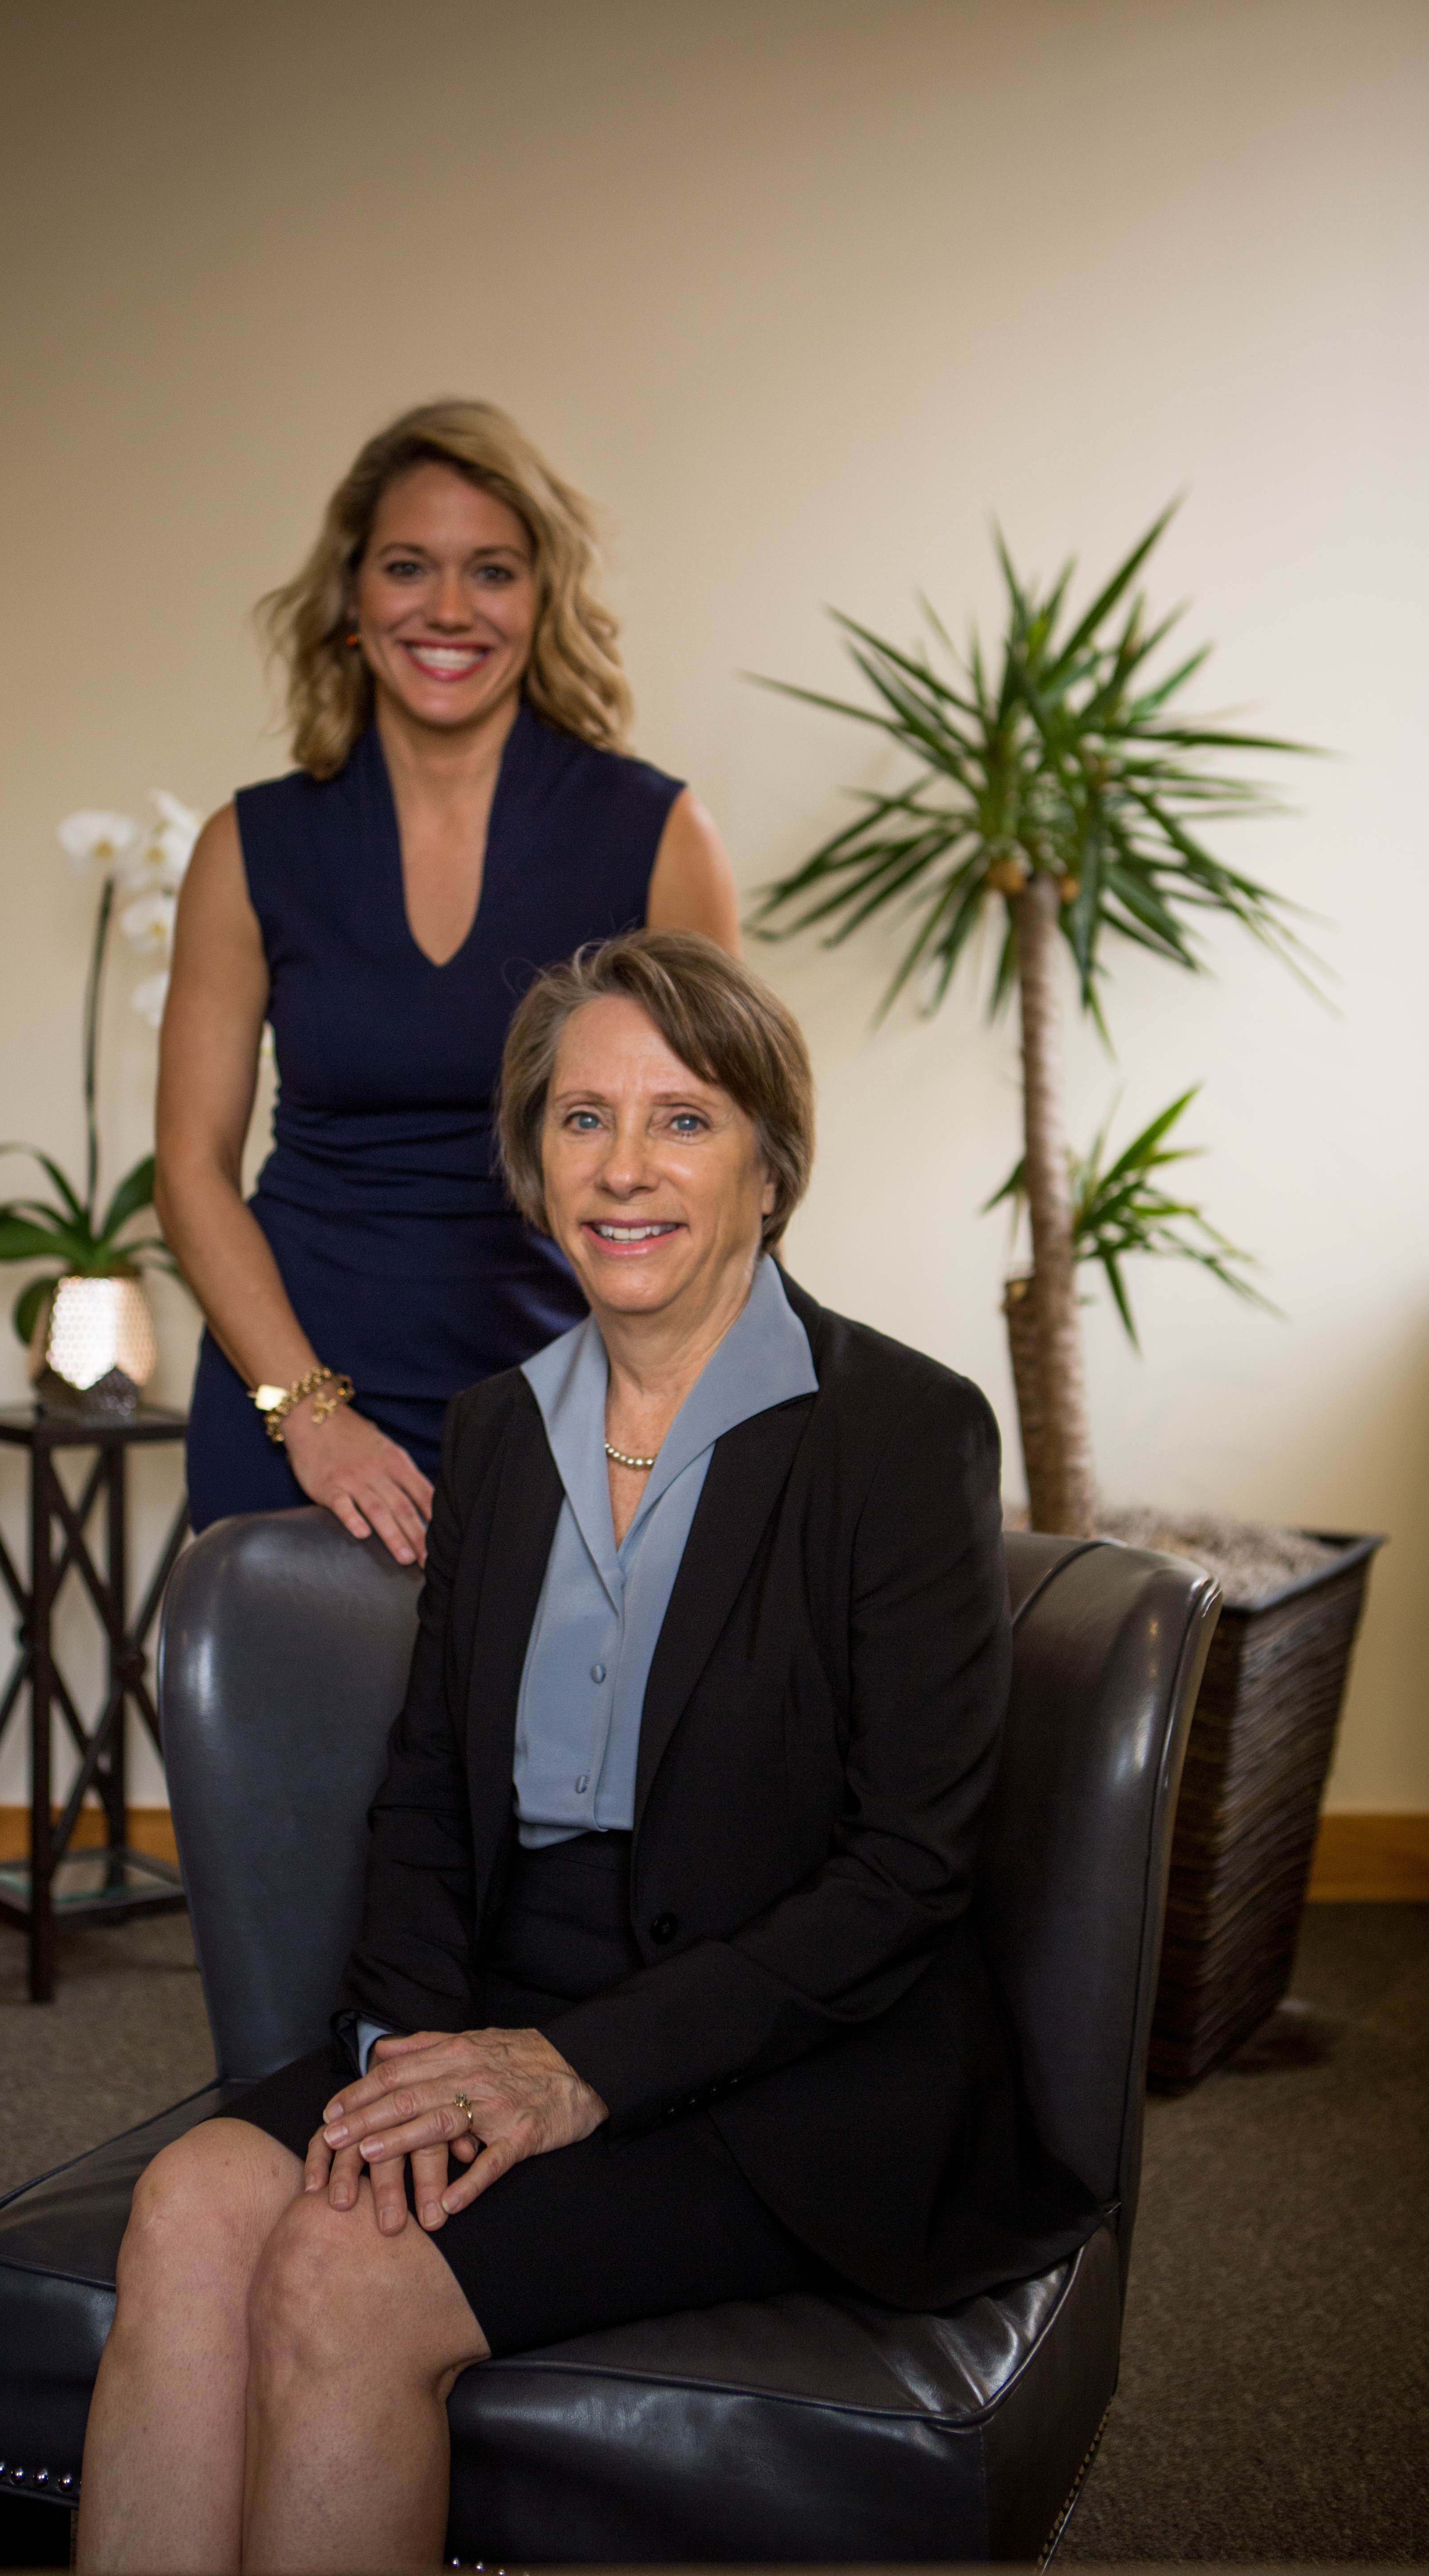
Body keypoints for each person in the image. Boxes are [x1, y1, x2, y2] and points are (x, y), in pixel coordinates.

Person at [79, 931, 1098, 2576]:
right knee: (193, 2210)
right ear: (532, 1161)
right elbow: (423, 1799)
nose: (624, 1170)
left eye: (684, 1121)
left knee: (343, 2276)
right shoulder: (495, 1429)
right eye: (581, 1120)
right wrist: (409, 2052)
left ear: (772, 1165)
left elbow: (909, 1868)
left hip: (786, 2059)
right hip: (499, 2000)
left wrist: (577, 2073)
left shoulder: (903, 1432)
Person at [156, 399, 741, 1556]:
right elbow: (189, 1172)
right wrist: (311, 1417)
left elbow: (718, 1165)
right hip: (291, 1410)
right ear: (351, 599)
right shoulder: (247, 849)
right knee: (291, 1737)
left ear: (543, 598)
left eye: (493, 571)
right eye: (408, 567)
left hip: (572, 1414)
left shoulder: (659, 837)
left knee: (564, 1746)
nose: (449, 608)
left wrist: (664, 1416)